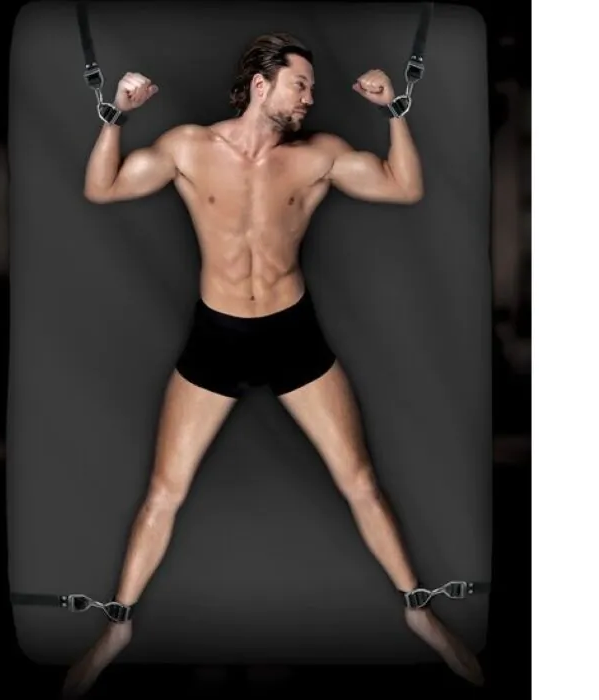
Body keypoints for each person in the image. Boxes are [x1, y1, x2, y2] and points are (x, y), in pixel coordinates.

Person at [62, 32, 484, 697]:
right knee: (165, 490)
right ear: (262, 85)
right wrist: (115, 115)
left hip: (292, 333)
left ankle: (418, 610)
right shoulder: (189, 147)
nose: (311, 97)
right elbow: (102, 187)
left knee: (360, 481)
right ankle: (117, 626)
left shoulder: (319, 156)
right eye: (301, 84)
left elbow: (404, 188)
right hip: (218, 335)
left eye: (311, 87)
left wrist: (394, 110)